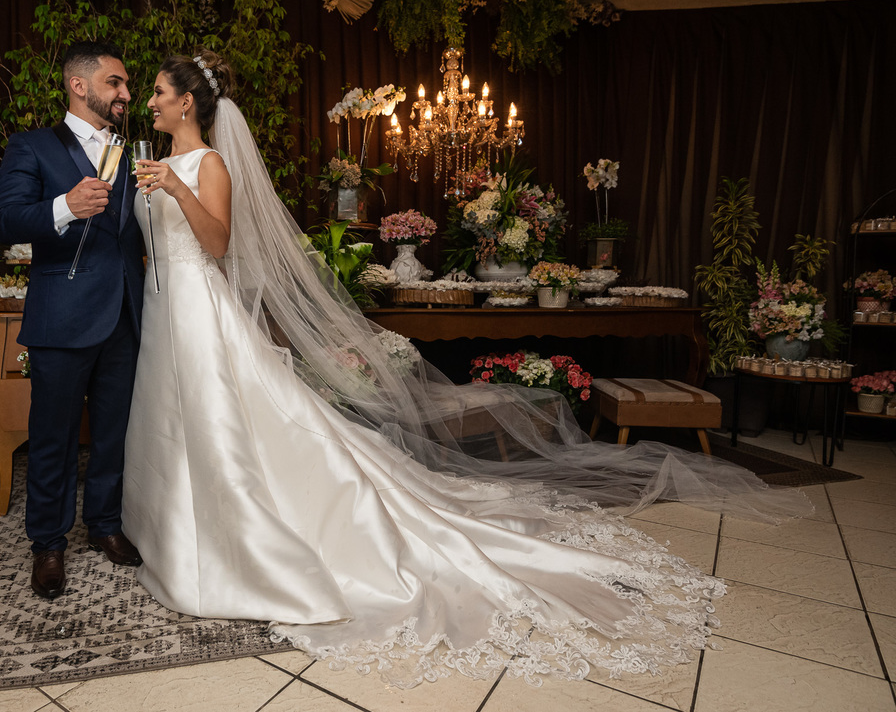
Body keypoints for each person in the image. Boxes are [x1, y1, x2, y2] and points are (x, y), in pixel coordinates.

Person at [122, 49, 811, 687]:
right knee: (177, 428)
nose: (149, 100)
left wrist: (175, 192)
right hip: (165, 313)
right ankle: (179, 536)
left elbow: (215, 243)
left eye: (157, 91)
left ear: (188, 104)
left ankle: (243, 544)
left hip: (201, 311)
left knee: (224, 425)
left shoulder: (208, 166)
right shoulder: (152, 159)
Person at [0, 41, 146, 601]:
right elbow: (6, 220)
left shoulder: (134, 151)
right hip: (61, 316)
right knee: (53, 438)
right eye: (115, 83)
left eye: (126, 85)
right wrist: (63, 206)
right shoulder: (31, 147)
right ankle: (49, 544)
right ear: (79, 86)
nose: (126, 94)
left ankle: (105, 525)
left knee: (113, 433)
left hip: (127, 313)